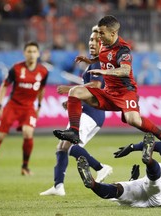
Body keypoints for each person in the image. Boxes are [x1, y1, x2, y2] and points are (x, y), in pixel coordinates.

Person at [52, 15, 161, 150]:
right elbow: (104, 57)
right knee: (75, 92)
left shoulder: (123, 49)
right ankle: (74, 131)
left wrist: (105, 72)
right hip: (108, 92)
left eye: (102, 33)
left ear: (112, 33)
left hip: (125, 92)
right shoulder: (104, 45)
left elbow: (125, 69)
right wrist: (90, 61)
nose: (99, 37)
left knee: (133, 120)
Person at [40, 26, 113, 196]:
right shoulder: (92, 62)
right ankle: (58, 186)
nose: (92, 43)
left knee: (72, 146)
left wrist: (71, 89)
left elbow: (95, 86)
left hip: (92, 112)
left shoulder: (100, 63)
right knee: (62, 146)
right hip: (85, 109)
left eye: (96, 41)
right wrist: (75, 98)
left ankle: (101, 167)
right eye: (90, 40)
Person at [77, 133, 161, 207]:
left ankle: (148, 161)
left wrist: (132, 147)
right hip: (153, 199)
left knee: (119, 190)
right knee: (121, 190)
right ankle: (92, 184)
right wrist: (133, 179)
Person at [0, 41, 48, 175]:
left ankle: (25, 167)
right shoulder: (16, 68)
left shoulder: (43, 71)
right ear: (24, 53)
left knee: (28, 132)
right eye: (29, 51)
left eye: (34, 51)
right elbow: (4, 86)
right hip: (13, 105)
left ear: (38, 54)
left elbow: (42, 90)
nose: (32, 54)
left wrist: (39, 105)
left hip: (29, 107)